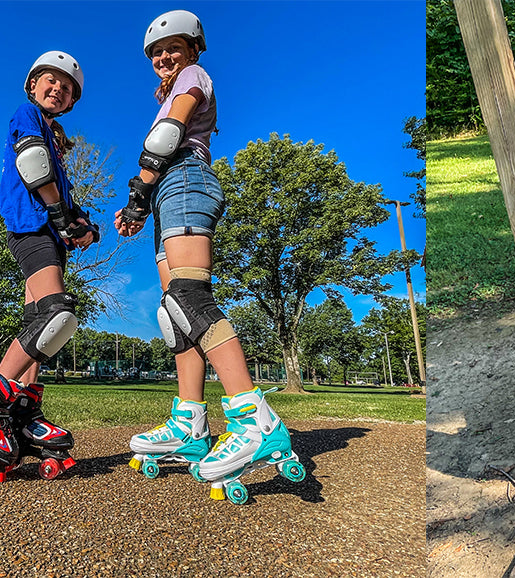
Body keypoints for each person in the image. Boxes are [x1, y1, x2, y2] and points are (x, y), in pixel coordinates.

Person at [120, 10, 305, 502]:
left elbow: (167, 138)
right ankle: (190, 424)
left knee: (188, 295)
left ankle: (253, 416)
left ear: (194, 49)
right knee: (173, 313)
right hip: (167, 192)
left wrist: (142, 184)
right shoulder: (174, 83)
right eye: (157, 52)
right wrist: (140, 203)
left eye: (173, 48)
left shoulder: (193, 77)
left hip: (185, 180)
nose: (164, 57)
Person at [0, 51, 99, 480]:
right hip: (30, 227)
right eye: (50, 81)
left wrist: (83, 226)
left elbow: (64, 200)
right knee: (58, 316)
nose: (57, 88)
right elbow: (30, 163)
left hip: (48, 232)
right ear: (34, 85)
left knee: (38, 320)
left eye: (67, 86)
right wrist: (59, 213)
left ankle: (21, 414)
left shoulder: (54, 141)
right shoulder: (26, 114)